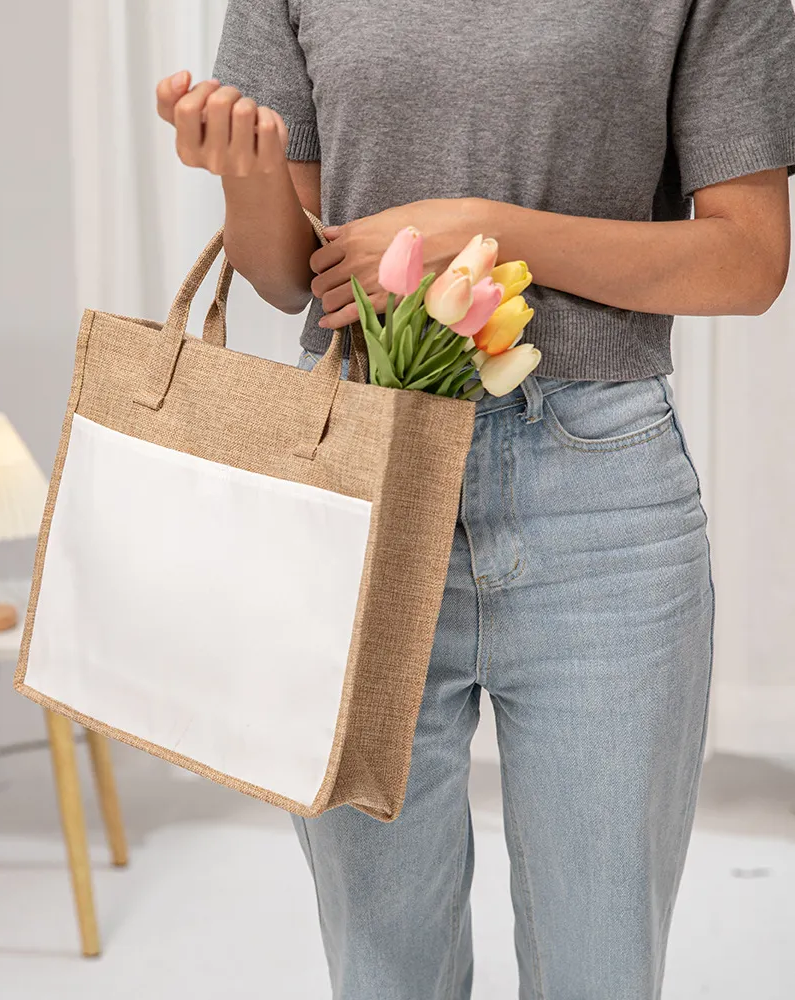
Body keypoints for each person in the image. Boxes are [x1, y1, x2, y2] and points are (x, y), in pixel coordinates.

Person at [155, 1, 795, 996]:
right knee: (383, 968)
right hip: (360, 492)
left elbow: (747, 260)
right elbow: (290, 277)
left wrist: (488, 234)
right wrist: (244, 168)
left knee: (602, 968)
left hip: (601, 506)